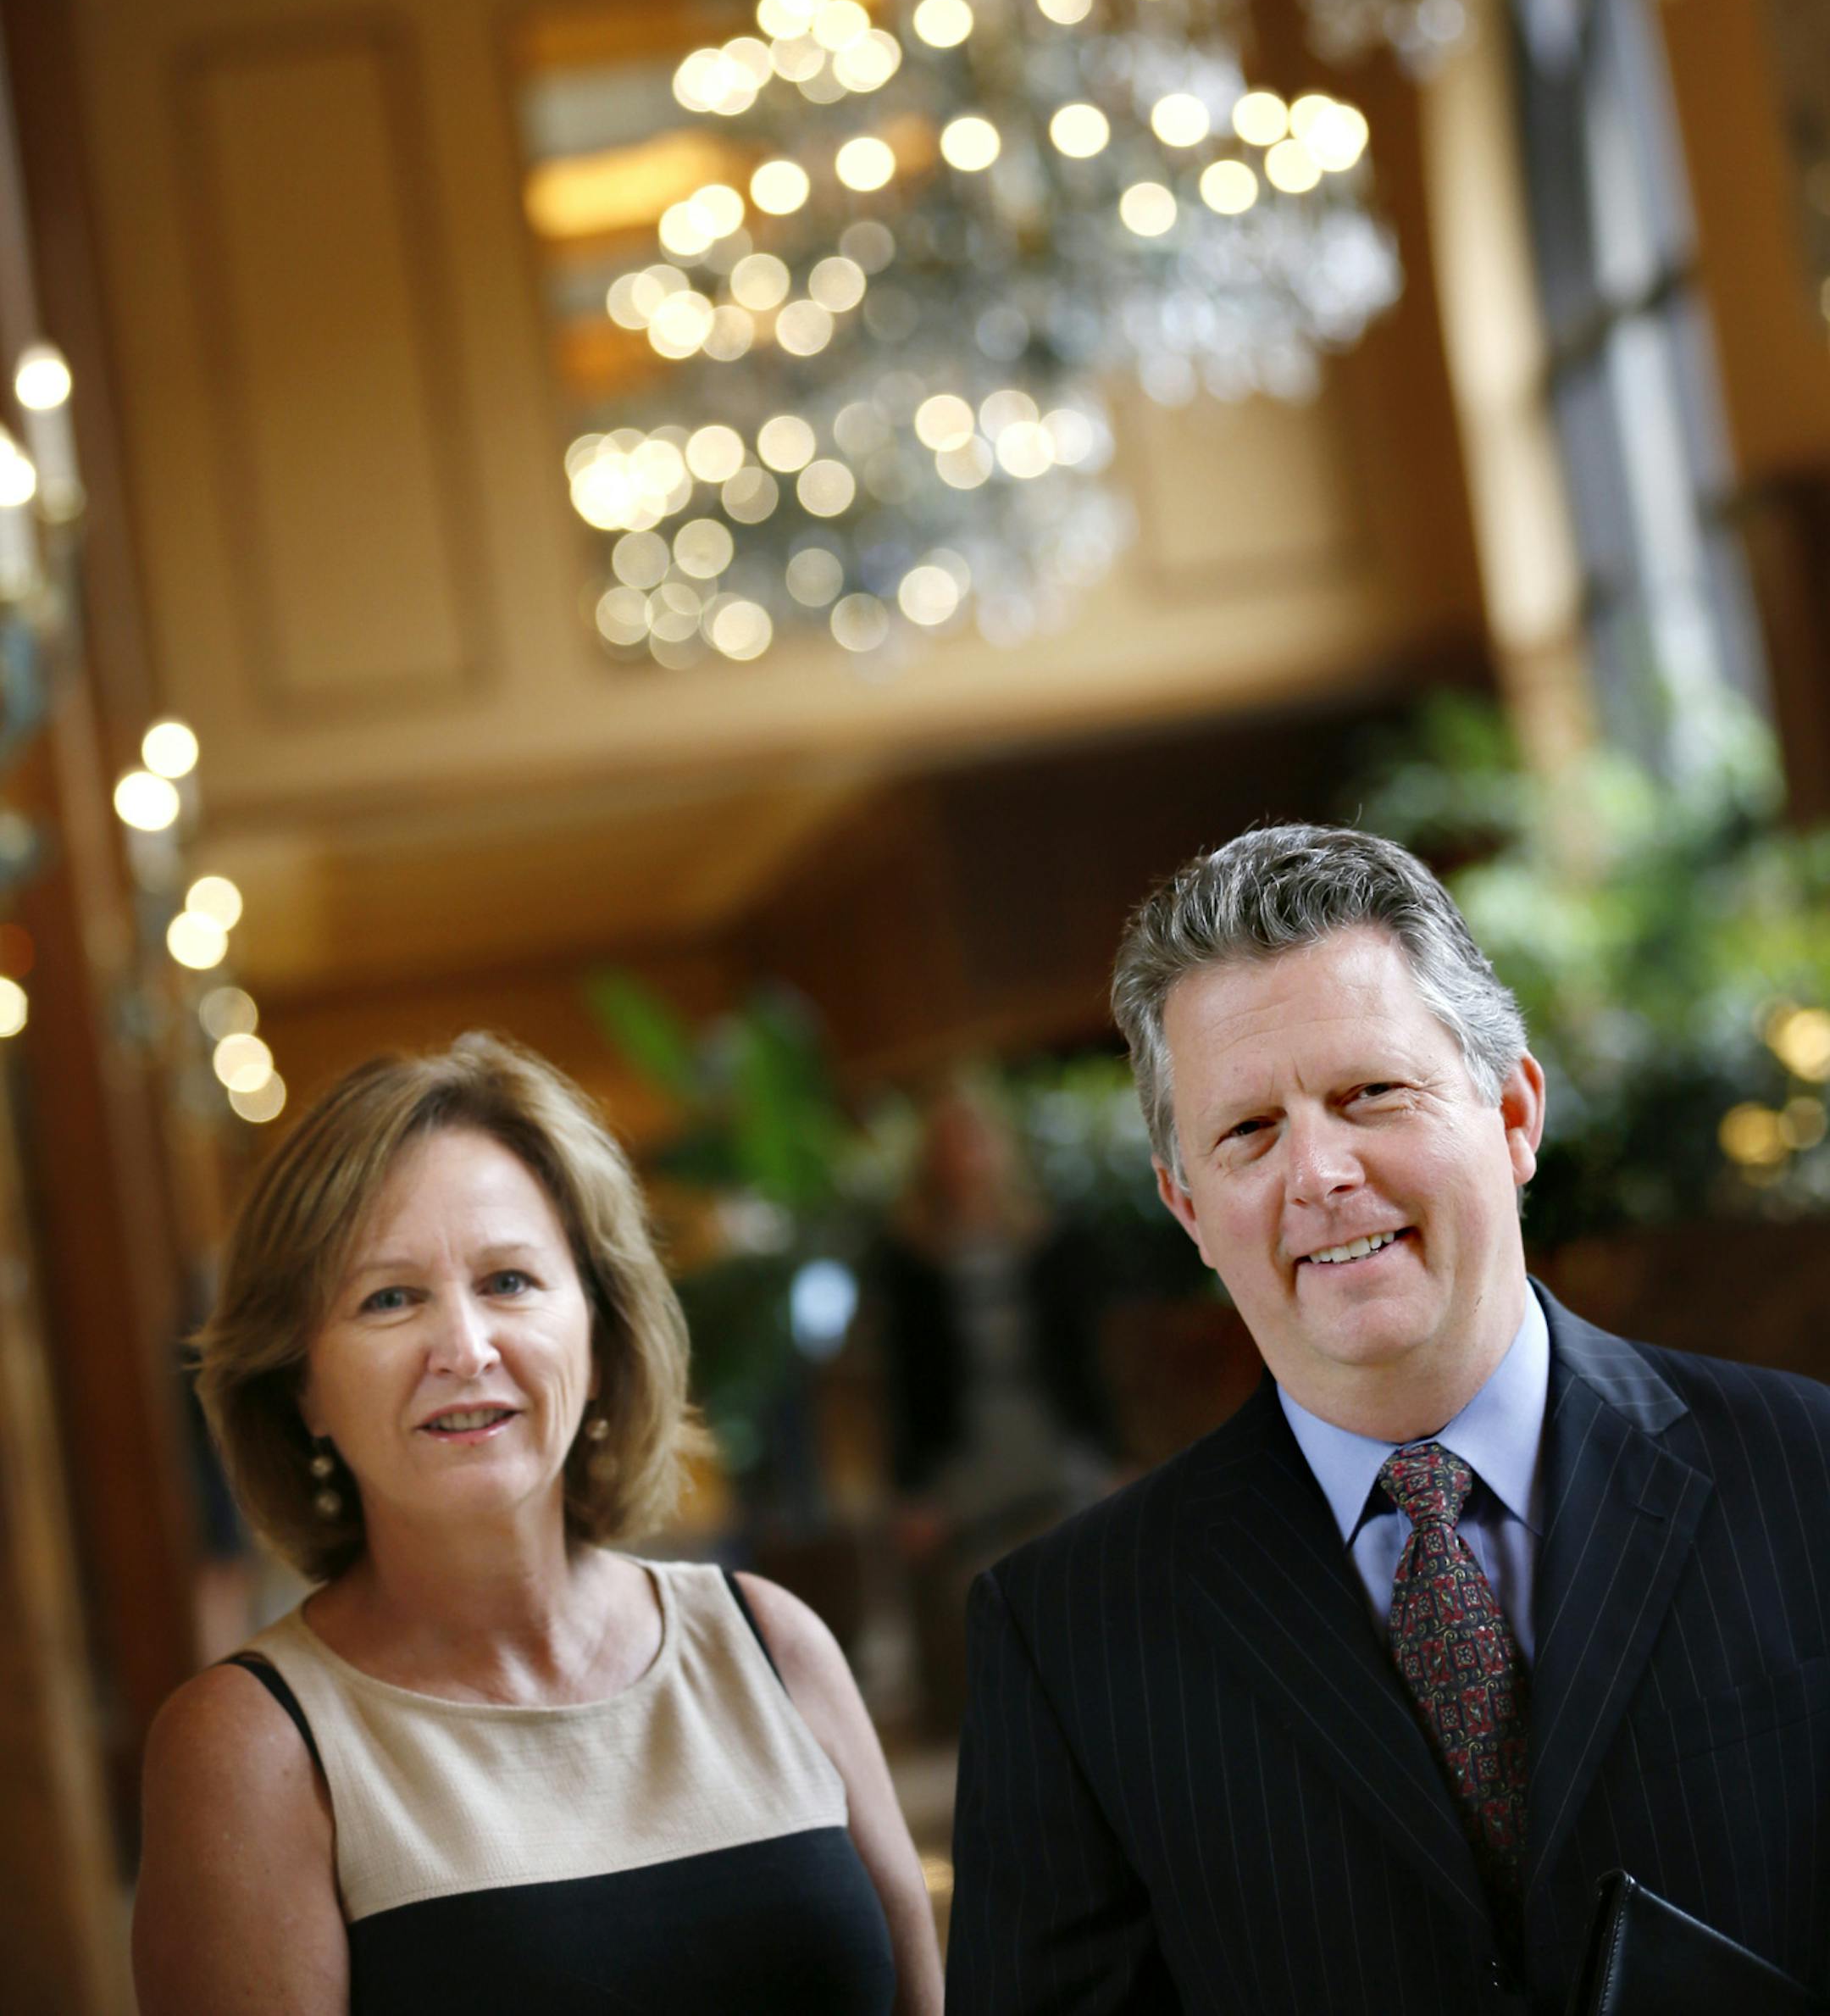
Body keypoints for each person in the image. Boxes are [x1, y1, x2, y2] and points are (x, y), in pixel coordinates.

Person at [947, 824, 1830, 2015]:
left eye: (1371, 1092)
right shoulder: (1064, 1634)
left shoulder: (1806, 1471)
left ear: (1515, 1111)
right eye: (1248, 1129)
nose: (1317, 1171)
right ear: (1187, 1203)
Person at [135, 1032, 943, 2016]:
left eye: (508, 1282)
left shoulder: (772, 1641)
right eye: (390, 1299)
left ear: (598, 1336)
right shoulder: (251, 1747)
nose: (465, 1349)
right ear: (300, 1382)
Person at [873, 1087, 1118, 1728]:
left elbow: (1085, 1356)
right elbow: (904, 1378)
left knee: (1086, 1587)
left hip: (1049, 1434)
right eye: (951, 1143)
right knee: (997, 1603)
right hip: (968, 1451)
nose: (966, 1156)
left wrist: (1114, 1450)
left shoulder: (1048, 1235)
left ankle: (1105, 1721)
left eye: (975, 1138)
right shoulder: (908, 1255)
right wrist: (912, 1485)